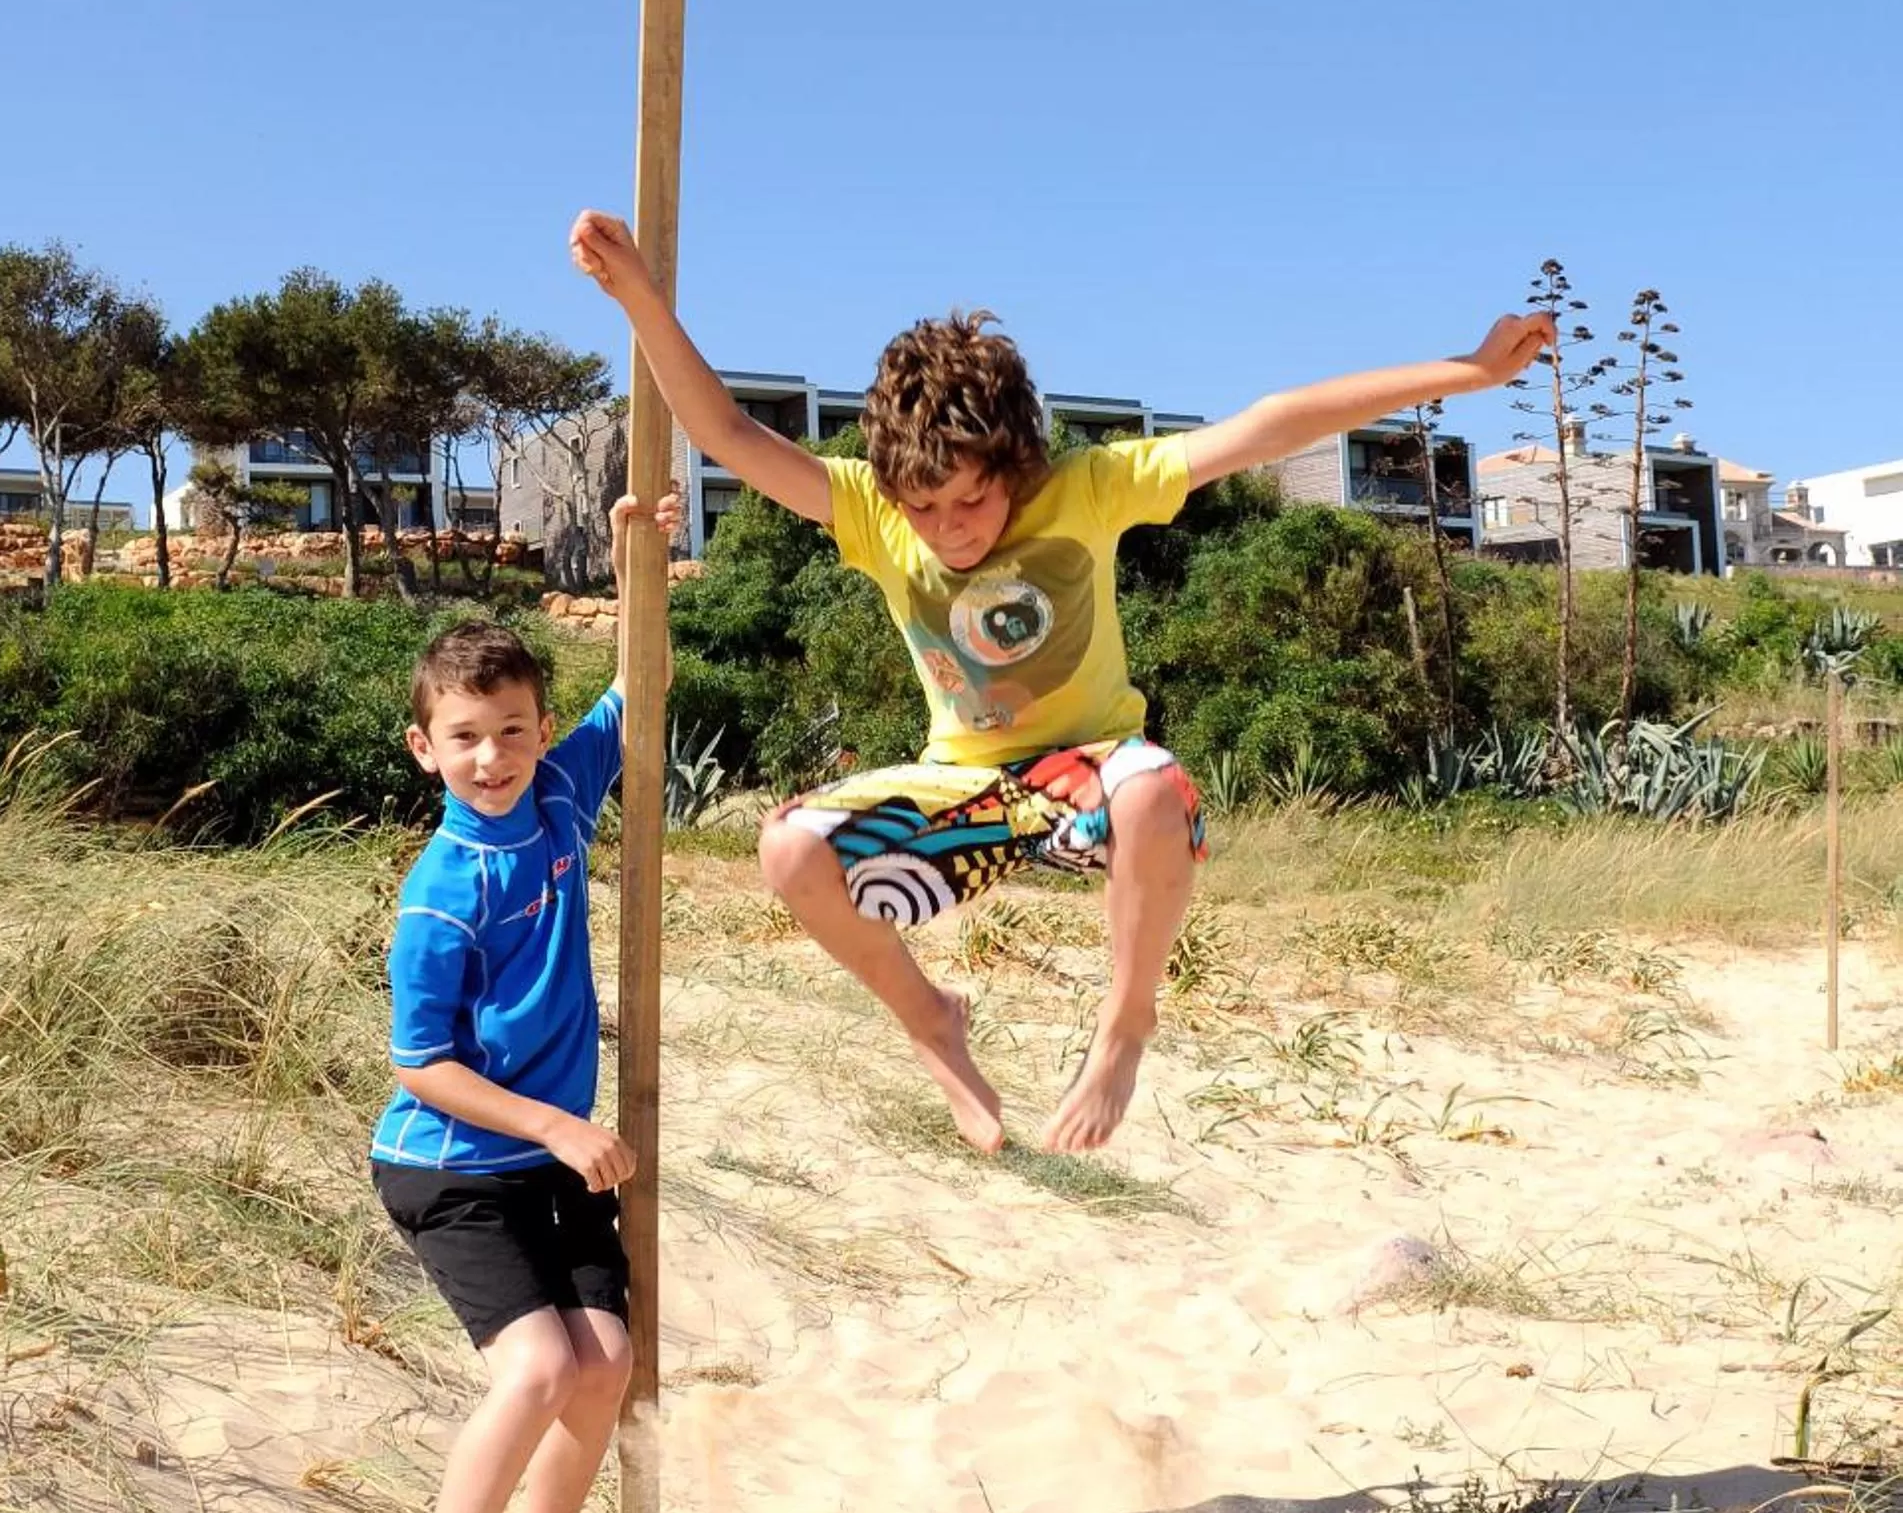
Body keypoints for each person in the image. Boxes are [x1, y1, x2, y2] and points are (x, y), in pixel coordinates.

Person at [571, 210, 1547, 1157]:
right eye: (926, 508)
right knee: (788, 849)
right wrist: (640, 300)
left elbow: (1269, 425)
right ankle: (931, 1020)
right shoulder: (869, 510)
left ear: (1017, 465)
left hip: (1089, 783)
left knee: (1154, 784)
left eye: (973, 499)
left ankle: (1125, 1026)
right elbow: (731, 435)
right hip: (970, 792)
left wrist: (1466, 370)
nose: (950, 527)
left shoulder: (1082, 488)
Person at [370, 488, 676, 1513]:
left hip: (552, 1162)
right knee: (541, 1367)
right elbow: (420, 1065)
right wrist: (555, 1121)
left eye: (510, 728)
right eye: (465, 735)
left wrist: (632, 555)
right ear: (424, 748)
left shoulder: (559, 795)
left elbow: (637, 688)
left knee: (605, 1364)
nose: (490, 755)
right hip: (453, 1166)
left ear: (540, 730)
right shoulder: (440, 894)